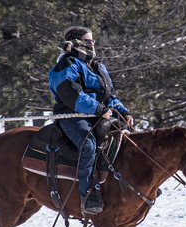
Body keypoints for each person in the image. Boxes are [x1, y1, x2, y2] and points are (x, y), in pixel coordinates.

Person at [49, 26, 133, 214]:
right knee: (88, 145)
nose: (92, 44)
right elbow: (72, 95)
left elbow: (109, 95)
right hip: (73, 116)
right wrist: (99, 109)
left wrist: (123, 111)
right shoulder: (67, 64)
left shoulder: (97, 65)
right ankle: (88, 196)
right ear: (76, 42)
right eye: (88, 41)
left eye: (92, 41)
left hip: (98, 114)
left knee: (126, 139)